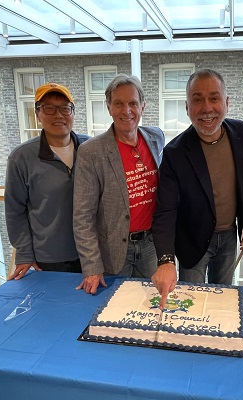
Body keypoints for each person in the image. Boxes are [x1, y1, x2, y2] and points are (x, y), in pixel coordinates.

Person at [151, 68, 243, 307]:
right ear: (187, 107)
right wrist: (166, 260)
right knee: (192, 301)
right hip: (192, 241)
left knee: (224, 299)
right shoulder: (174, 153)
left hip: (231, 237)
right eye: (197, 99)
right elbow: (165, 210)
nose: (207, 108)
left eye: (214, 98)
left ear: (226, 102)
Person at [73, 74, 165, 295]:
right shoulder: (91, 152)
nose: (127, 111)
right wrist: (92, 266)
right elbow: (82, 216)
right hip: (113, 251)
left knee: (151, 306)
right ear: (109, 107)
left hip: (151, 246)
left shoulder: (156, 137)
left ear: (142, 106)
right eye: (119, 103)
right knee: (114, 311)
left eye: (133, 103)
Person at [5, 82, 90, 280]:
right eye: (49, 108)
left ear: (73, 112)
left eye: (64, 108)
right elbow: (14, 210)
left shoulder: (90, 148)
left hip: (92, 253)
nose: (58, 115)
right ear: (37, 114)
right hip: (50, 259)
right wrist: (24, 252)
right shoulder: (22, 157)